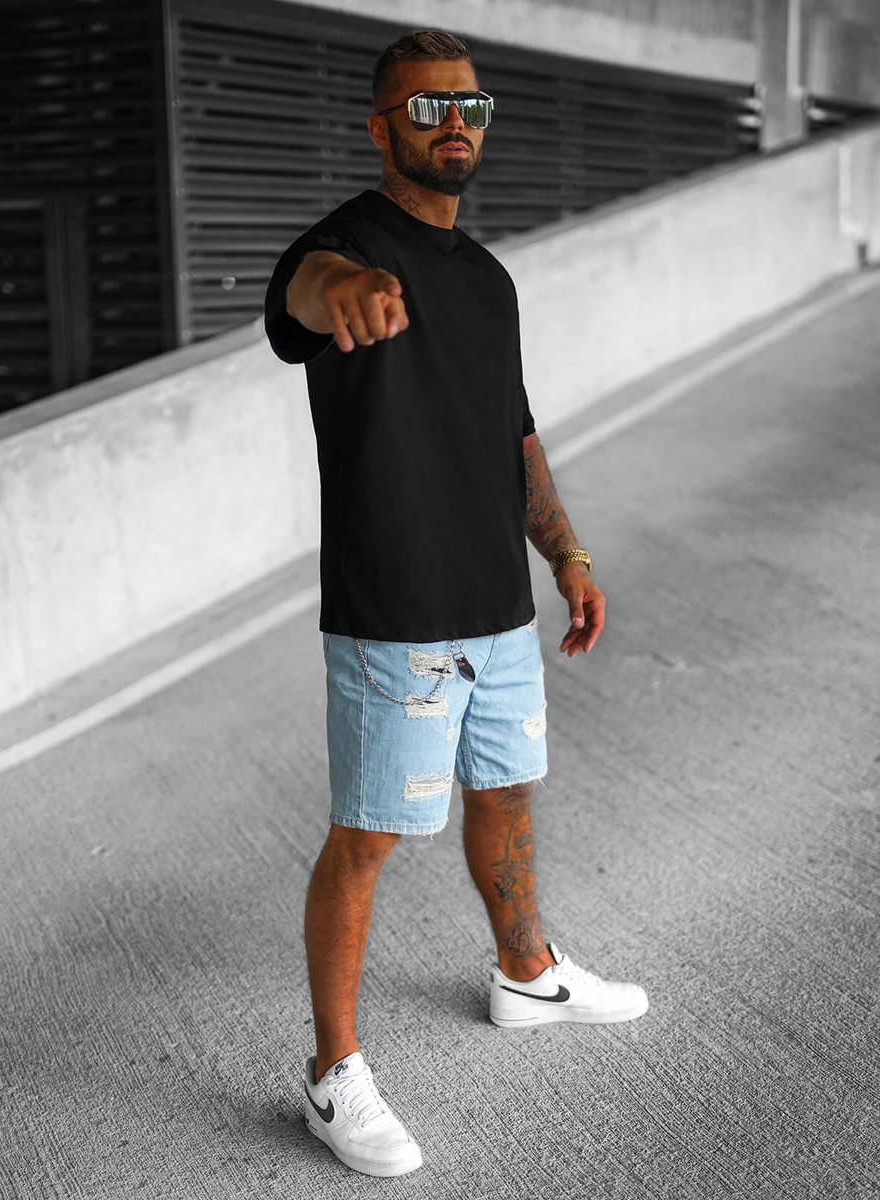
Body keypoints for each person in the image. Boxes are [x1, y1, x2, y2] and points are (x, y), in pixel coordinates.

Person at [264, 29, 648, 1179]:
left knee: (508, 790)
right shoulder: (341, 250)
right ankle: (333, 1075)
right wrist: (348, 294)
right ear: (381, 128)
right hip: (397, 614)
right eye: (427, 108)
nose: (453, 125)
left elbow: (513, 434)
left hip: (497, 604)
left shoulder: (487, 279)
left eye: (469, 107)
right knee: (371, 834)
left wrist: (566, 555)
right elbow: (305, 298)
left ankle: (526, 975)